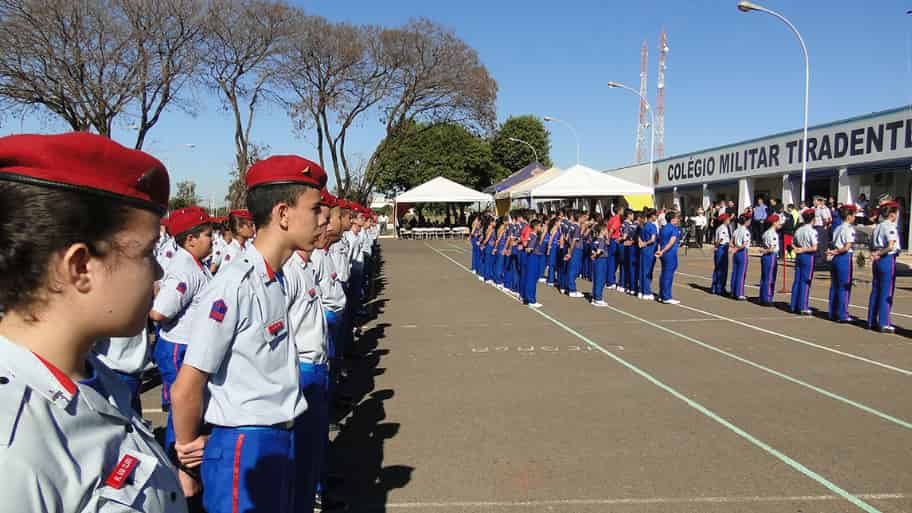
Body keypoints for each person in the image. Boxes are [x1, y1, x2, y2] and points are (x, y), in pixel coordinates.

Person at [0, 132, 185, 512]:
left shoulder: (98, 381)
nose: (159, 269)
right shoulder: (11, 449)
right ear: (81, 267)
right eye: (148, 251)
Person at [170, 155, 328, 511]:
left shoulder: (276, 277)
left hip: (279, 438)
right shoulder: (234, 285)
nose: (324, 219)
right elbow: (186, 387)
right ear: (283, 214)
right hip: (246, 446)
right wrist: (186, 461)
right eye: (316, 209)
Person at [284, 189, 335, 513]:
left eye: (327, 219)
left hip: (316, 364)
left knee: (313, 446)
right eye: (319, 216)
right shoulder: (288, 271)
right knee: (300, 452)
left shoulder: (305, 265)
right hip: (301, 368)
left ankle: (313, 492)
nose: (325, 226)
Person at [149, 206, 214, 452]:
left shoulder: (197, 264)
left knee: (192, 408)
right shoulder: (184, 270)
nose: (213, 240)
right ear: (190, 240)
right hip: (179, 347)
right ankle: (178, 469)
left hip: (190, 345)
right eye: (207, 234)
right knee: (182, 409)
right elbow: (159, 312)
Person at [868, 202, 901, 332]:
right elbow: (890, 245)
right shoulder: (890, 226)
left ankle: (871, 320)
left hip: (878, 259)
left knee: (876, 290)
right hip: (886, 258)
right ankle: (884, 322)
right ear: (892, 215)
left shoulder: (878, 226)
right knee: (886, 291)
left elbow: (871, 244)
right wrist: (879, 254)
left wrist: (874, 253)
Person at [827, 205, 857, 323]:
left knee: (835, 286)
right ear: (849, 217)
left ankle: (833, 312)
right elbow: (847, 246)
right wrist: (836, 251)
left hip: (836, 258)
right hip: (843, 257)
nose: (855, 217)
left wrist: (834, 251)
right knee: (844, 287)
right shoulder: (848, 228)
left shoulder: (838, 228)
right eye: (854, 215)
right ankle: (842, 314)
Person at [790, 208, 819, 315]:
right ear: (813, 219)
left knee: (797, 280)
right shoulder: (812, 231)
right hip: (807, 255)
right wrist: (803, 249)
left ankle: (794, 305)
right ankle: (803, 306)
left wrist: (797, 249)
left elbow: (792, 243)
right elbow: (814, 247)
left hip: (799, 255)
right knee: (805, 281)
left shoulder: (799, 230)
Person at [212, 209, 254, 273]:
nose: (253, 228)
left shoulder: (245, 247)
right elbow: (223, 277)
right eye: (250, 225)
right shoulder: (232, 251)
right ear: (239, 229)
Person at [656, 211, 682, 304]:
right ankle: (666, 296)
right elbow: (671, 242)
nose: (678, 220)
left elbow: (659, 241)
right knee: (668, 275)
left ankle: (662, 294)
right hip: (669, 253)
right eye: (676, 218)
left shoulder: (663, 228)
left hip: (664, 254)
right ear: (672, 219)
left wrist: (660, 250)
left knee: (664, 274)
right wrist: (662, 251)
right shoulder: (673, 229)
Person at [758, 214, 782, 305]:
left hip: (766, 257)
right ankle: (767, 298)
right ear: (774, 222)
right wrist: (765, 251)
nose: (779, 223)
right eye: (778, 221)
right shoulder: (773, 234)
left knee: (764, 278)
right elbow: (772, 248)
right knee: (770, 278)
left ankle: (762, 296)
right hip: (771, 256)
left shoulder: (766, 232)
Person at [637, 209, 658, 301]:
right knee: (648, 271)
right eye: (655, 215)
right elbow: (653, 239)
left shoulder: (643, 226)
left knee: (642, 270)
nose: (656, 217)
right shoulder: (652, 226)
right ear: (652, 216)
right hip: (650, 250)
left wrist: (641, 243)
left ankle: (641, 291)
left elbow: (639, 237)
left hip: (643, 251)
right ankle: (647, 291)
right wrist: (645, 243)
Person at [729, 215, 752, 300]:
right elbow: (744, 244)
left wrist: (734, 248)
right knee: (741, 273)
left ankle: (733, 291)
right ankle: (739, 293)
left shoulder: (736, 230)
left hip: (736, 252)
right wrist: (737, 248)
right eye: (749, 220)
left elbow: (731, 242)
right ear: (746, 221)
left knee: (735, 272)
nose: (750, 222)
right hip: (741, 252)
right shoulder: (745, 231)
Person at [524, 219, 544, 307]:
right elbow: (529, 248)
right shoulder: (534, 236)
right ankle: (531, 300)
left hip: (532, 257)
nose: (541, 227)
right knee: (532, 278)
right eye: (540, 226)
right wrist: (529, 249)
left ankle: (529, 298)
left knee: (530, 278)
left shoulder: (533, 235)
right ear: (536, 227)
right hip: (534, 257)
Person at [711, 213, 732, 295]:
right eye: (728, 219)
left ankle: (715, 288)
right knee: (722, 269)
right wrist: (716, 246)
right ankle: (720, 288)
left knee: (718, 268)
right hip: (722, 248)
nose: (729, 220)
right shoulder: (723, 228)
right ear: (725, 220)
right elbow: (720, 239)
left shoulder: (721, 228)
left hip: (722, 247)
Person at [590, 224, 610, 306]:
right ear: (602, 231)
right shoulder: (601, 240)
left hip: (596, 261)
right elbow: (599, 251)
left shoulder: (595, 239)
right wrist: (595, 255)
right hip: (601, 260)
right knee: (600, 279)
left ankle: (594, 297)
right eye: (606, 230)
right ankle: (598, 298)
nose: (607, 231)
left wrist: (593, 255)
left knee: (596, 278)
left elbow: (593, 250)